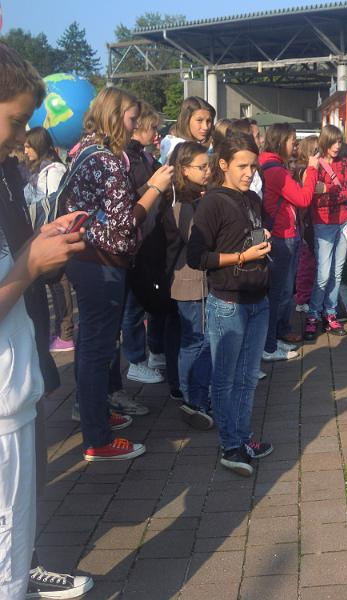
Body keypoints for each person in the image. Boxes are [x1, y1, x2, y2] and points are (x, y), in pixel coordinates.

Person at [0, 41, 94, 600]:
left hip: (15, 393)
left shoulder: (4, 175)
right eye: (15, 121)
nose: (21, 138)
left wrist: (38, 243)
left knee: (15, 547)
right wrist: (30, 266)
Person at [62, 86, 174, 461]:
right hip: (101, 263)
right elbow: (124, 223)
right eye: (131, 118)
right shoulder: (108, 160)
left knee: (91, 345)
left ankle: (93, 411)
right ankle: (98, 438)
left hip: (86, 259)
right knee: (98, 349)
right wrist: (155, 188)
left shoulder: (85, 150)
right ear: (114, 116)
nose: (135, 125)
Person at [186, 131, 273, 476]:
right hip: (228, 303)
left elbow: (244, 236)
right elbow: (196, 256)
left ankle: (243, 436)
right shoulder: (213, 202)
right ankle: (230, 445)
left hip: (258, 299)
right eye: (242, 166)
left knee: (248, 377)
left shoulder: (251, 199)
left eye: (253, 166)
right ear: (223, 164)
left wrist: (262, 240)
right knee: (225, 379)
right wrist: (241, 256)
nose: (249, 173)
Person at [122, 102, 182, 402]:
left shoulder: (145, 156)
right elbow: (132, 198)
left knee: (157, 297)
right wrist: (154, 185)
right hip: (138, 239)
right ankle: (135, 359)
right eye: (152, 128)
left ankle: (155, 350)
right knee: (134, 304)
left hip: (152, 236)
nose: (156, 134)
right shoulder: (128, 159)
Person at [163, 141, 213, 429]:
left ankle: (193, 393)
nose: (207, 171)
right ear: (183, 169)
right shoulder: (182, 203)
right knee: (195, 341)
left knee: (196, 340)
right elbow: (197, 239)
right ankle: (191, 397)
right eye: (201, 167)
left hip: (194, 281)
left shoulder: (194, 198)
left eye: (208, 165)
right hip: (189, 282)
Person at [260, 123, 320, 360]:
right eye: (292, 141)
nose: (295, 146)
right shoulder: (276, 171)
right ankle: (269, 345)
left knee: (282, 291)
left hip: (282, 232)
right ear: (280, 141)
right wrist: (312, 170)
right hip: (282, 235)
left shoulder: (268, 164)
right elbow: (303, 198)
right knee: (279, 292)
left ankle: (276, 336)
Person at [22, 127, 76, 353]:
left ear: (39, 145)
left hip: (52, 234)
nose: (25, 151)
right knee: (52, 284)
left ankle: (66, 334)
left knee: (59, 283)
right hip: (40, 234)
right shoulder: (36, 171)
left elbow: (55, 205)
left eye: (28, 146)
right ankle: (59, 331)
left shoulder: (53, 171)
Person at [304, 125, 347, 340]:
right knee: (323, 274)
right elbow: (314, 198)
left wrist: (329, 190)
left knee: (337, 272)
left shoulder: (344, 163)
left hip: (343, 222)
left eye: (339, 141)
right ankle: (313, 314)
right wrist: (338, 193)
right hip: (323, 223)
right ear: (324, 141)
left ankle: (330, 313)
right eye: (333, 142)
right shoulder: (316, 165)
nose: (337, 146)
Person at [292, 135, 319, 312]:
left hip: (306, 221)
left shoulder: (300, 169)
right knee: (307, 262)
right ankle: (302, 299)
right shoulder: (306, 171)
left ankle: (304, 296)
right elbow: (308, 195)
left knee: (308, 261)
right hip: (307, 221)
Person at [160, 96, 215, 161]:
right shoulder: (179, 148)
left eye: (208, 121)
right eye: (199, 120)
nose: (205, 127)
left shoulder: (172, 142)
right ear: (186, 120)